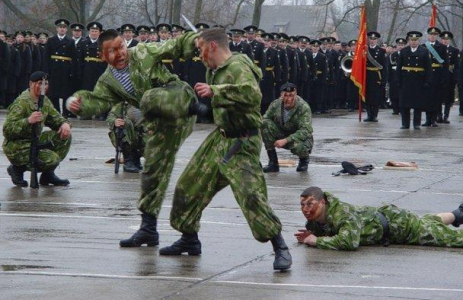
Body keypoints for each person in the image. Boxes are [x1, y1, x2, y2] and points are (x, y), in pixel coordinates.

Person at [161, 28, 292, 271]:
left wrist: (216, 92)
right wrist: (200, 109)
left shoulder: (238, 65)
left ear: (212, 46)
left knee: (251, 195)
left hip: (242, 141)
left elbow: (252, 95)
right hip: (220, 138)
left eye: (200, 49)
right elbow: (223, 107)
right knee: (187, 186)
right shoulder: (214, 71)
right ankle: (189, 238)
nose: (198, 54)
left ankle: (280, 246)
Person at [68, 29, 200, 247]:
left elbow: (173, 46)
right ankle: (150, 229)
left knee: (148, 98)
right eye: (112, 51)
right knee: (152, 171)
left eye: (121, 46)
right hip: (160, 122)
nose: (120, 53)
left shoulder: (143, 52)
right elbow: (98, 101)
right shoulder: (108, 81)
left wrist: (195, 39)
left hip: (180, 101)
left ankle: (196, 107)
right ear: (102, 56)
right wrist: (79, 103)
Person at [295, 186, 463, 251]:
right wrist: (312, 233)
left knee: (449, 239)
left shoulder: (342, 213)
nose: (305, 209)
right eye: (303, 205)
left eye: (310, 204)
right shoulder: (316, 219)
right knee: (427, 222)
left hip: (400, 226)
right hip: (391, 219)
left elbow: (349, 241)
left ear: (322, 203)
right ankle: (461, 213)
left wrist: (317, 241)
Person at [3, 71, 71, 187]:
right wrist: (27, 121)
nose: (43, 87)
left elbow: (55, 118)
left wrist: (64, 124)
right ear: (31, 84)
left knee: (64, 135)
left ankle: (48, 175)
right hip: (17, 145)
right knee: (52, 159)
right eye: (39, 84)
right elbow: (7, 130)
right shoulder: (21, 103)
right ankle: (17, 168)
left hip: (34, 140)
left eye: (46, 84)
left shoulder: (44, 100)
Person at [262, 82, 313, 173]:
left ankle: (303, 161)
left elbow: (306, 130)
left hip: (298, 138)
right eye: (285, 95)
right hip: (282, 132)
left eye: (291, 95)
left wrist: (286, 140)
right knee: (265, 124)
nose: (288, 99)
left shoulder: (303, 107)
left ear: (296, 94)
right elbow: (265, 118)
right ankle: (273, 163)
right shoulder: (276, 104)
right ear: (281, 95)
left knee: (300, 147)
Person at [396, 31, 432, 129]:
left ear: (418, 41)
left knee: (417, 104)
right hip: (406, 80)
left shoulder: (424, 51)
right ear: (409, 40)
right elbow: (399, 67)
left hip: (418, 81)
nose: (413, 42)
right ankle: (405, 123)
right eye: (412, 40)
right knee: (404, 104)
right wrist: (398, 80)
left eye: (415, 40)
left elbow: (428, 68)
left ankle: (416, 123)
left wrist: (427, 81)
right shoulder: (404, 51)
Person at [43, 19, 76, 117]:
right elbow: (46, 57)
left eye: (64, 28)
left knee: (66, 92)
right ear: (57, 28)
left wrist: (72, 71)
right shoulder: (51, 40)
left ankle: (65, 112)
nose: (62, 29)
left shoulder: (70, 41)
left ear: (66, 30)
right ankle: (56, 111)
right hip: (54, 68)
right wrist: (46, 70)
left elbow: (74, 58)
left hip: (65, 68)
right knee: (53, 92)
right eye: (60, 27)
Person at [106, 102, 145, 173]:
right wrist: (115, 121)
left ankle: (136, 159)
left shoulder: (150, 101)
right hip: (128, 136)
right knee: (125, 123)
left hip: (143, 135)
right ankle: (128, 161)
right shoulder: (123, 103)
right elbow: (110, 117)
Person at [422, 27, 449, 127]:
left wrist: (444, 78)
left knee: (435, 99)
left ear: (437, 36)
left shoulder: (442, 47)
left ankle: (434, 119)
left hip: (437, 75)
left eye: (435, 35)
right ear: (428, 35)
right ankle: (427, 119)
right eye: (431, 34)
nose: (432, 36)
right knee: (426, 99)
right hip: (426, 76)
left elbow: (446, 64)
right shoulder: (423, 46)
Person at [364, 31, 387, 122]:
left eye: (374, 39)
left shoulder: (381, 51)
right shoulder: (364, 50)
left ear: (377, 40)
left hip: (377, 76)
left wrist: (384, 80)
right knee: (367, 96)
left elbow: (384, 67)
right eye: (371, 39)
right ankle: (369, 115)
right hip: (367, 75)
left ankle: (374, 115)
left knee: (376, 97)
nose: (372, 41)